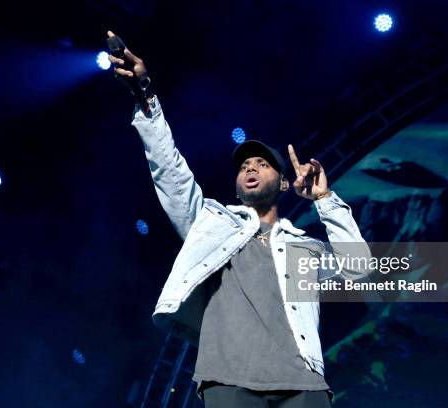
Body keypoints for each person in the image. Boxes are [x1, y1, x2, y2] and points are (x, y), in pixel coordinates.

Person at [107, 31, 371, 408]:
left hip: (304, 382)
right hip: (228, 377)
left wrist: (324, 199)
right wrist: (146, 97)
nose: (250, 169)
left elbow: (359, 269)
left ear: (282, 183)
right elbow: (170, 171)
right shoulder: (211, 224)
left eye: (262, 164)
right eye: (244, 166)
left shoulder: (303, 248)